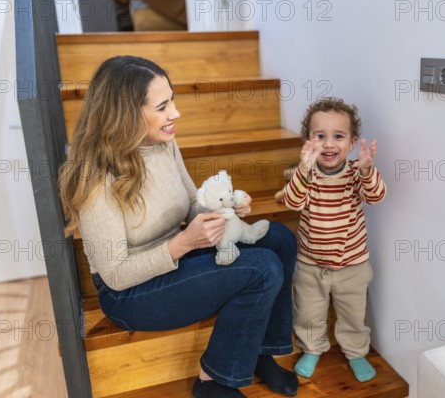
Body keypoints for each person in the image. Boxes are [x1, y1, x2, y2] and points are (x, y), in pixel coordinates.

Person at [58, 55, 298, 398]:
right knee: (262, 268)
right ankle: (212, 381)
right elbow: (115, 275)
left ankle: (260, 352)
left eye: (173, 100)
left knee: (279, 238)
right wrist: (184, 243)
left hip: (177, 256)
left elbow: (190, 203)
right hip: (131, 293)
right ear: (127, 115)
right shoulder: (96, 177)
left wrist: (226, 208)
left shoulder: (163, 141)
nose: (176, 113)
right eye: (163, 105)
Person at [282, 97, 387, 382]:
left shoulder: (355, 173)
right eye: (320, 136)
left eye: (338, 137)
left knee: (353, 315)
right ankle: (312, 348)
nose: (329, 144)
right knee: (308, 312)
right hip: (310, 264)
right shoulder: (305, 174)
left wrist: (367, 170)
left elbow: (376, 196)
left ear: (352, 143)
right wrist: (303, 170)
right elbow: (292, 202)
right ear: (308, 141)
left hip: (352, 265)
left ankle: (356, 352)